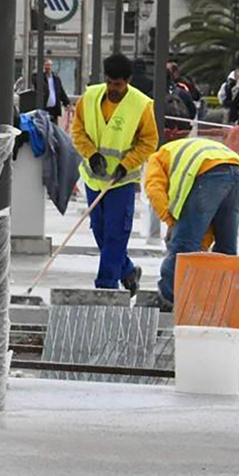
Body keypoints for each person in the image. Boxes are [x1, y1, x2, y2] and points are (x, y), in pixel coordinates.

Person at [71, 53, 158, 295]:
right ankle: (127, 270)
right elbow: (77, 130)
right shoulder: (89, 98)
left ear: (128, 81)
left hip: (120, 181)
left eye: (118, 84)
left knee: (115, 234)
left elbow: (149, 141)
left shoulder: (141, 105)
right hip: (93, 178)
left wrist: (126, 164)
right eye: (109, 82)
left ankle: (106, 286)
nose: (112, 88)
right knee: (100, 231)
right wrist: (91, 154)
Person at [145, 137, 239, 308]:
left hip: (210, 171)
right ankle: (222, 301)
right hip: (238, 170)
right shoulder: (180, 152)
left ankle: (168, 300)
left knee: (182, 246)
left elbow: (155, 191)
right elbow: (204, 224)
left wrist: (172, 224)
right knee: (226, 247)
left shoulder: (156, 159)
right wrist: (200, 245)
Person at [33, 59, 71, 123]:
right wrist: (42, 73)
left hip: (54, 109)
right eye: (46, 65)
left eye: (49, 65)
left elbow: (61, 91)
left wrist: (66, 102)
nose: (48, 67)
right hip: (44, 108)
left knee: (53, 127)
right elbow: (36, 83)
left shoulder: (56, 78)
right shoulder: (38, 77)